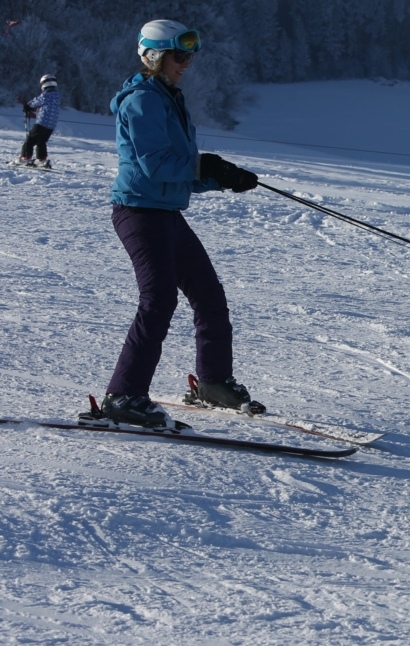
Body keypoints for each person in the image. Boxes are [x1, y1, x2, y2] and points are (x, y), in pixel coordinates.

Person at [92, 19, 263, 428]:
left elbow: (179, 171)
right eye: (178, 56)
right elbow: (156, 165)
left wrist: (223, 178)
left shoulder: (168, 98)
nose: (186, 64)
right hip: (138, 211)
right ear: (154, 56)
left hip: (166, 212)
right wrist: (206, 166)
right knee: (159, 299)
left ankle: (214, 382)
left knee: (208, 294)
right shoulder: (142, 101)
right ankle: (124, 395)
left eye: (188, 57)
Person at [15, 74, 59, 167]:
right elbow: (46, 109)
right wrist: (35, 112)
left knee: (30, 140)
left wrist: (27, 106)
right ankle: (41, 160)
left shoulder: (46, 95)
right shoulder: (57, 96)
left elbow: (35, 102)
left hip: (42, 123)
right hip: (51, 125)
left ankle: (25, 158)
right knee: (41, 142)